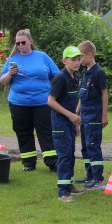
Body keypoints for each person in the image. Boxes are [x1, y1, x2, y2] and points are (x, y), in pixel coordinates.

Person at [0, 29, 59, 172]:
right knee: (23, 132)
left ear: (30, 42)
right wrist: (10, 74)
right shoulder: (13, 60)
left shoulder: (42, 56)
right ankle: (28, 163)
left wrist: (57, 94)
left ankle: (52, 162)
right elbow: (3, 81)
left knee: (46, 131)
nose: (20, 45)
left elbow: (56, 76)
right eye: (17, 43)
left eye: (23, 42)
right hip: (19, 103)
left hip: (42, 102)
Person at [48, 46, 86, 202]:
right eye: (73, 59)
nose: (76, 62)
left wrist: (75, 122)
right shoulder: (60, 78)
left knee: (70, 155)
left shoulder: (75, 77)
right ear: (64, 61)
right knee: (64, 156)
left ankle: (69, 186)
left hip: (70, 123)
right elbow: (50, 101)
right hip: (60, 123)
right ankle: (63, 193)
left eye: (78, 59)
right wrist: (70, 115)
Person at [76, 41, 108, 190]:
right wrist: (77, 109)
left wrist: (104, 115)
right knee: (85, 146)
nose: (78, 59)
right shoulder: (84, 72)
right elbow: (82, 94)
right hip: (84, 114)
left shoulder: (98, 72)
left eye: (80, 56)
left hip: (94, 115)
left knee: (93, 146)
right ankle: (89, 175)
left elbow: (105, 93)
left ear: (89, 55)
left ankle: (99, 179)